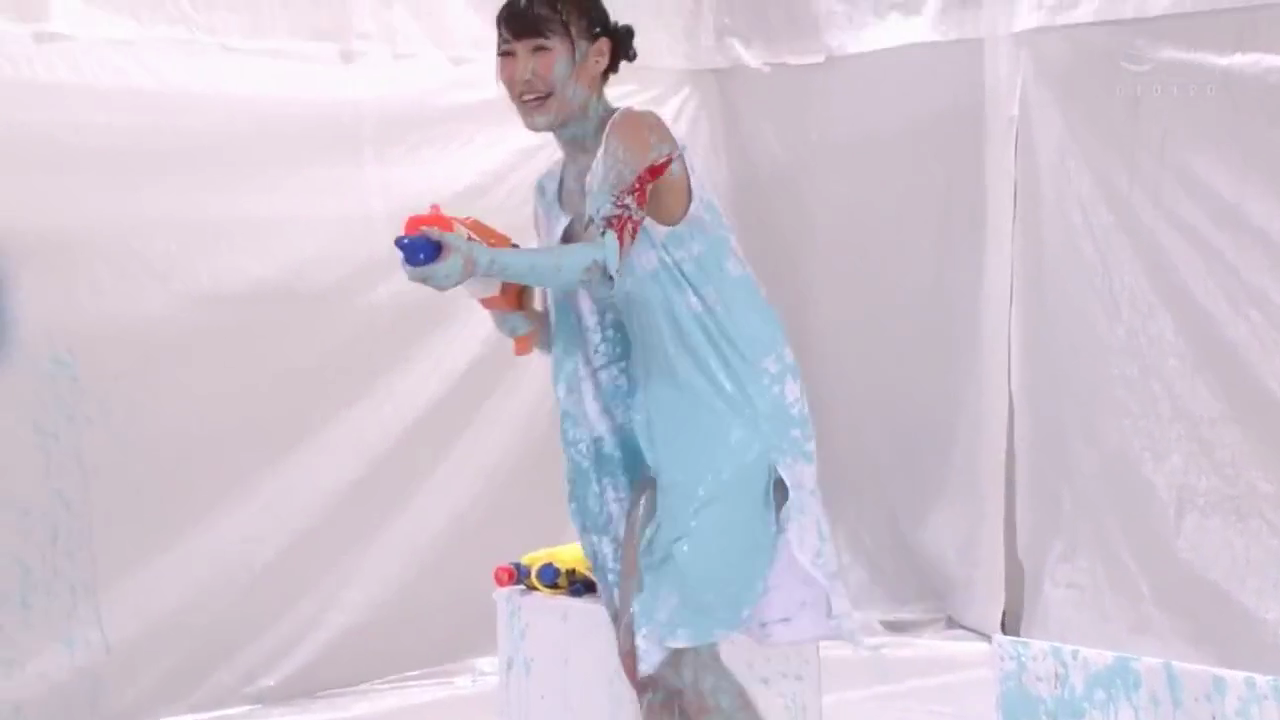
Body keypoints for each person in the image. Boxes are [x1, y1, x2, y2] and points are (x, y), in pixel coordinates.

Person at [401, 0, 856, 716]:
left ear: (597, 55)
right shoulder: (549, 193)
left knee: (681, 654)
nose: (521, 73)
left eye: (540, 48)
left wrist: (487, 259)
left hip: (719, 423)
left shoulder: (639, 137)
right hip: (636, 447)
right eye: (507, 53)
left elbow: (603, 261)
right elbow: (584, 342)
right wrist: (495, 297)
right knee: (651, 669)